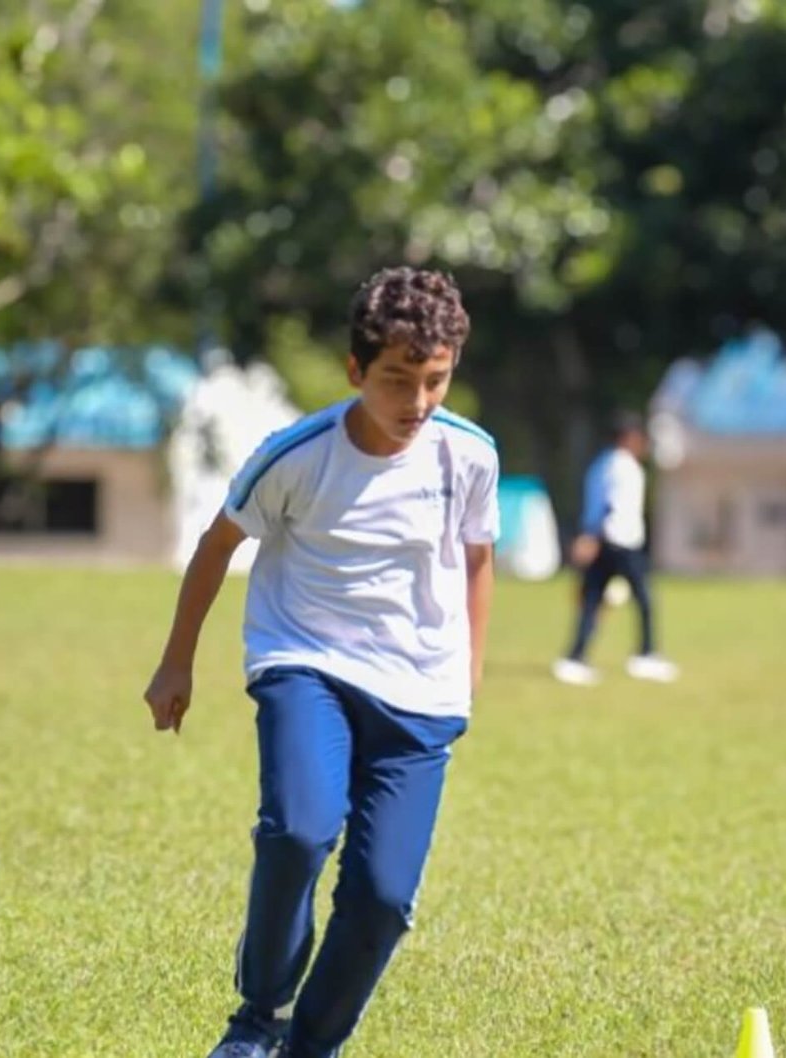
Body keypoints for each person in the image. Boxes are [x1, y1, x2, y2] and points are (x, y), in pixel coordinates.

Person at [142, 268, 498, 1058]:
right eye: (397, 380)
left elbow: (477, 557)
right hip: (304, 661)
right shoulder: (298, 455)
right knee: (300, 833)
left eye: (435, 380)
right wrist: (176, 665)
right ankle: (258, 1019)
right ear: (354, 370)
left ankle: (313, 1046)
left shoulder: (470, 455)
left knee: (382, 900)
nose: (417, 402)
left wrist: (468, 671)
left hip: (420, 690)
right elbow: (216, 546)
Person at [552, 412, 678, 686]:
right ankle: (645, 654)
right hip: (619, 542)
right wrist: (590, 534)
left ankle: (575, 657)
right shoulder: (620, 467)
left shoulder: (603, 464)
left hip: (610, 541)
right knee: (643, 599)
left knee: (593, 601)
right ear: (629, 437)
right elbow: (605, 504)